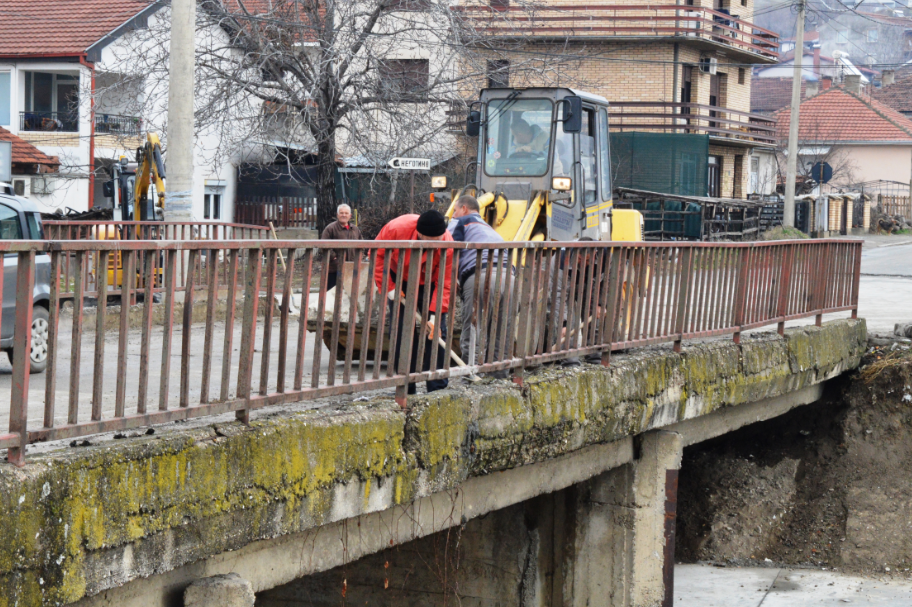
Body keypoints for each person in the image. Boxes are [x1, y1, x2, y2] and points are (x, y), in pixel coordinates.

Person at [374, 210, 454, 394]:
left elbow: (445, 282)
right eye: (428, 240)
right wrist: (389, 286)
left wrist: (435, 315)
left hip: (431, 282)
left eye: (437, 240)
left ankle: (437, 386)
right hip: (399, 277)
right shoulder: (396, 229)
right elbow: (377, 254)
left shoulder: (448, 244)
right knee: (402, 331)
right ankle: (405, 385)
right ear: (419, 233)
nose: (434, 245)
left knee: (436, 333)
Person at [448, 195, 511, 377]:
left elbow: (448, 246)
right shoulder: (489, 228)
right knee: (501, 328)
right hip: (510, 276)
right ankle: (499, 374)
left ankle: (473, 374)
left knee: (474, 326)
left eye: (455, 210)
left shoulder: (460, 222)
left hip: (481, 275)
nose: (453, 214)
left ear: (464, 209)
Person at [321, 204, 363, 291]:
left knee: (350, 294)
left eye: (346, 213)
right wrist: (334, 258)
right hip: (334, 269)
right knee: (331, 295)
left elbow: (362, 244)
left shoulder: (355, 229)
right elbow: (323, 245)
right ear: (337, 215)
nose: (344, 215)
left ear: (350, 216)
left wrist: (358, 257)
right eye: (341, 213)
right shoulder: (330, 228)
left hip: (351, 268)